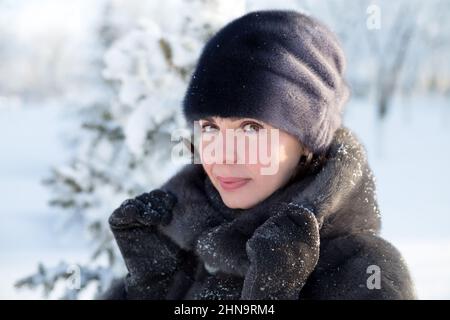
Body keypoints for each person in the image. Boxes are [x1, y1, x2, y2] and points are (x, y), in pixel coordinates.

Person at [102, 10, 416, 300]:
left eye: (251, 127)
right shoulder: (180, 248)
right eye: (210, 127)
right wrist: (149, 291)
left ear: (308, 141)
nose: (221, 157)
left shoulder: (365, 272)